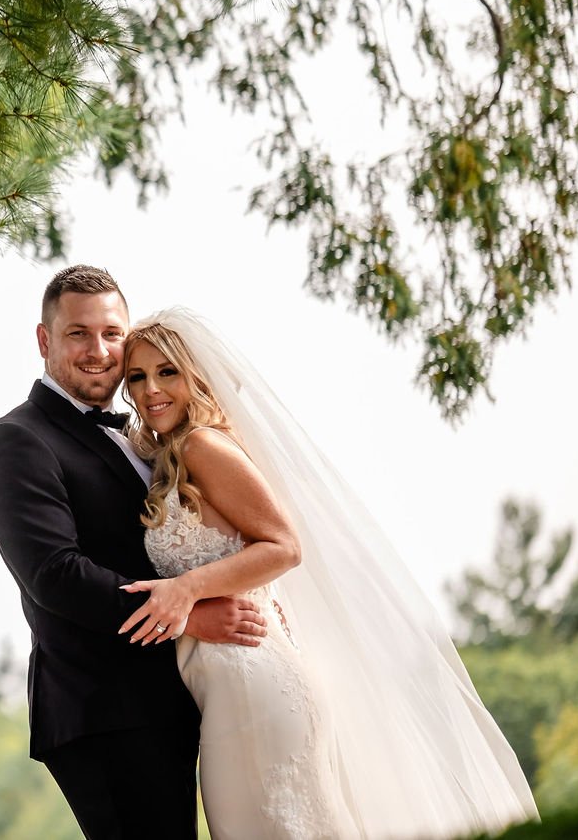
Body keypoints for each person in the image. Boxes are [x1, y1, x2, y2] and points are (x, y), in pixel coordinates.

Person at [117, 308, 537, 839]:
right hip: (227, 693)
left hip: (256, 690)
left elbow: (285, 546)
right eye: (137, 376)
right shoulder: (173, 455)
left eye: (167, 372)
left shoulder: (203, 446)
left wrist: (186, 589)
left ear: (196, 375)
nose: (152, 388)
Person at [0, 266, 268, 839]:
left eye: (112, 333)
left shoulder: (145, 435)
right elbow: (57, 576)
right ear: (44, 341)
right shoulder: (18, 441)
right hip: (103, 708)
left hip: (171, 700)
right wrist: (194, 616)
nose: (99, 350)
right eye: (78, 333)